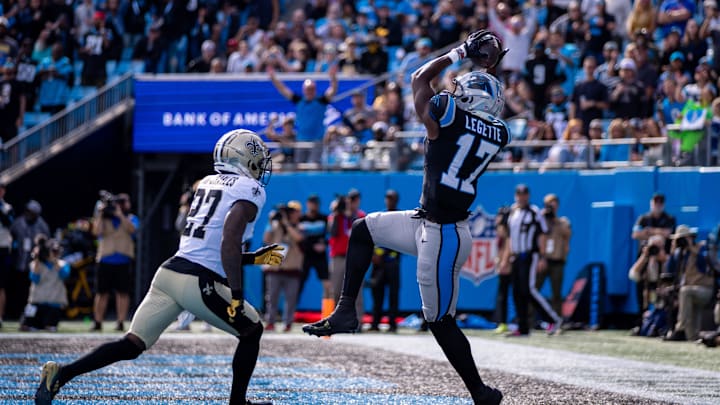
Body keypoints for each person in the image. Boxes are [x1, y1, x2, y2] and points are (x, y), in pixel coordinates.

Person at [303, 30, 509, 404]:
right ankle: (346, 310)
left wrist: (459, 52)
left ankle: (480, 392)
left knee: (439, 320)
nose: (455, 92)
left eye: (462, 90)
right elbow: (466, 113)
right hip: (428, 222)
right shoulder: (498, 131)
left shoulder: (448, 115)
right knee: (363, 229)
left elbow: (418, 79)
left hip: (445, 234)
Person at [35, 129, 281, 405]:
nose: (261, 167)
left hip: (169, 273)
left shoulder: (209, 182)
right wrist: (236, 294)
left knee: (132, 344)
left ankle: (61, 374)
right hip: (197, 281)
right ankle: (238, 403)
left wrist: (252, 258)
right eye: (258, 160)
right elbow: (229, 240)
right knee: (252, 330)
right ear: (244, 159)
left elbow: (211, 246)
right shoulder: (250, 189)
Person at [506, 184, 563, 336]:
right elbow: (510, 236)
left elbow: (543, 234)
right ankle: (523, 327)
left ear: (528, 196)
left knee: (529, 289)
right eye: (519, 194)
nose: (521, 197)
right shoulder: (513, 212)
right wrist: (509, 256)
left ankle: (553, 319)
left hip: (530, 254)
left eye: (524, 194)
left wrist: (542, 257)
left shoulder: (534, 212)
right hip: (516, 256)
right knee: (518, 292)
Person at [268, 64, 338, 165]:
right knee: (299, 166)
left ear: (315, 90)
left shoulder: (321, 101)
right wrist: (273, 78)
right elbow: (283, 90)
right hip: (301, 141)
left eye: (311, 89)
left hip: (316, 141)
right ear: (304, 90)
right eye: (307, 89)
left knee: (314, 167)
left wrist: (333, 77)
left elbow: (333, 90)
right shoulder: (299, 101)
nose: (309, 91)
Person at [90, 192, 138, 332]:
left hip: (123, 260)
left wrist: (119, 215)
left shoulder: (131, 218)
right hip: (105, 259)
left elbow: (132, 230)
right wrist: (100, 213)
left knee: (122, 293)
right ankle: (98, 321)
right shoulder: (103, 219)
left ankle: (120, 322)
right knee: (101, 292)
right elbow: (96, 232)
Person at [663, 225, 717, 341]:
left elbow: (707, 263)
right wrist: (673, 253)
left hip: (705, 289)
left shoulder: (702, 248)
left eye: (684, 238)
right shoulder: (680, 254)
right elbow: (670, 270)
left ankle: (680, 329)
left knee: (685, 291)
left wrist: (691, 248)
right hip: (692, 290)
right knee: (692, 334)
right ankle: (691, 337)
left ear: (691, 238)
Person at [262, 201, 304, 332]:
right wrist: (271, 224)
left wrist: (287, 224)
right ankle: (270, 321)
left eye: (292, 212)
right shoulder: (275, 226)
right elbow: (266, 240)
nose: (290, 214)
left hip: (292, 268)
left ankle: (288, 323)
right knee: (272, 297)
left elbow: (298, 238)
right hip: (275, 268)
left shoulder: (300, 226)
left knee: (290, 298)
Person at [20, 235, 69, 331]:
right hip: (37, 303)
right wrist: (38, 258)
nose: (54, 253)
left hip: (53, 304)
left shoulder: (63, 264)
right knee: (25, 326)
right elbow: (34, 279)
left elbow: (64, 275)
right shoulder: (35, 264)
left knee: (50, 326)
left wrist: (54, 260)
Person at [368, 189, 401, 333]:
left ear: (396, 200)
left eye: (392, 198)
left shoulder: (401, 218)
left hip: (392, 263)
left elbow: (400, 240)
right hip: (378, 264)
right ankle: (375, 323)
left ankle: (392, 324)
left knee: (393, 294)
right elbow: (374, 238)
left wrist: (384, 253)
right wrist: (373, 255)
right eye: (387, 198)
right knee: (377, 293)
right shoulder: (380, 217)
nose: (389, 200)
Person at [536, 193, 571, 318]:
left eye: (553, 204)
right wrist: (543, 217)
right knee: (534, 290)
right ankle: (528, 320)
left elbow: (567, 233)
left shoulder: (563, 221)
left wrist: (554, 219)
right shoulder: (540, 220)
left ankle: (557, 320)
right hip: (542, 260)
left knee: (556, 293)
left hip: (557, 261)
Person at [298, 194, 330, 300]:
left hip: (320, 256)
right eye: (312, 203)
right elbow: (298, 239)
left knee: (327, 285)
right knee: (298, 284)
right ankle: (290, 313)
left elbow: (331, 235)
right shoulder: (301, 219)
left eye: (316, 204)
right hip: (305, 255)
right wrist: (312, 247)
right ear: (308, 204)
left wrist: (324, 244)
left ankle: (328, 313)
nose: (314, 206)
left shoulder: (324, 218)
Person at [0, 183, 13, 328]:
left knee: (1, 285)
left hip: (2, 249)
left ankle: (0, 317)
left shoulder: (7, 208)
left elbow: (9, 223)